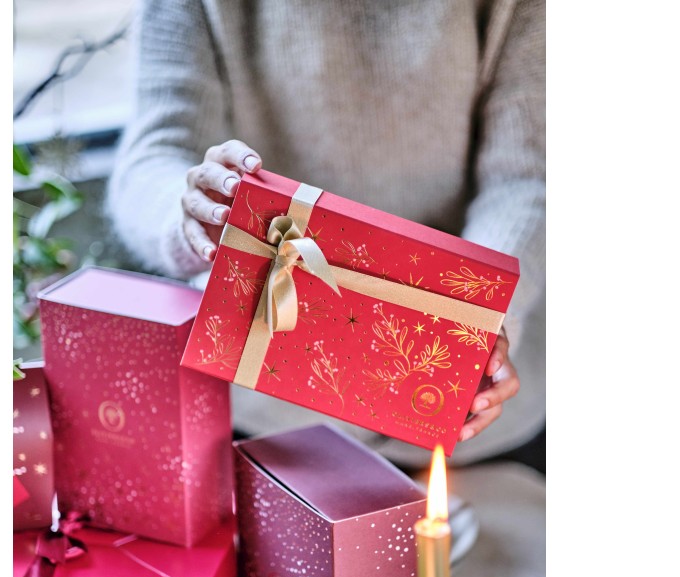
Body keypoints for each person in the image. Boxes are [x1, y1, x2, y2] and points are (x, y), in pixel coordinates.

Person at [106, 0, 545, 473]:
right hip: (266, 403)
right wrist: (191, 211)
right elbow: (153, 155)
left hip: (466, 407)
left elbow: (528, 177)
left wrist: (484, 316)